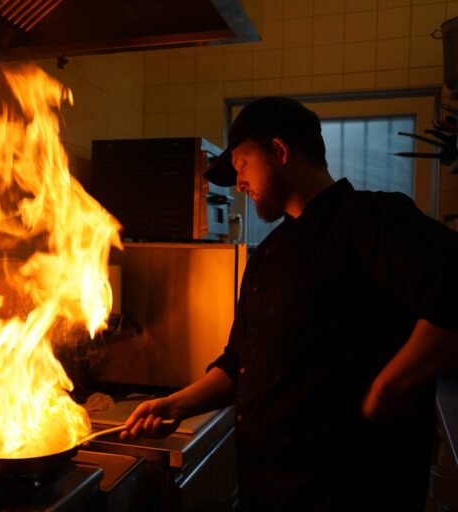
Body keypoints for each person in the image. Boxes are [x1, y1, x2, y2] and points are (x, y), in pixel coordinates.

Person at [120, 97, 458, 511]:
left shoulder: (372, 220)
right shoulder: (266, 254)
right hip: (267, 488)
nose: (238, 183)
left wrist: (387, 388)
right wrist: (177, 403)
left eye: (242, 165)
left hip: (354, 489)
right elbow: (236, 362)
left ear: (279, 152)